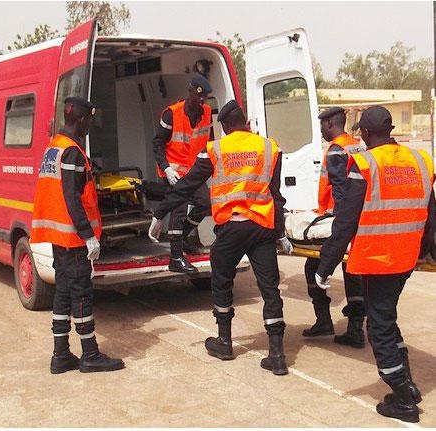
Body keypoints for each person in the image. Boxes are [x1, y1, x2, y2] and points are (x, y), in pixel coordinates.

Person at [148, 100, 294, 375]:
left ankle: (225, 342)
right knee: (270, 289)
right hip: (262, 228)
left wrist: (160, 214)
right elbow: (275, 194)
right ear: (247, 124)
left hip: (232, 229)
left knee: (221, 281)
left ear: (225, 127)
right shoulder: (270, 147)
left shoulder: (215, 149)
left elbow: (187, 184)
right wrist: (280, 232)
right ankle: (277, 355)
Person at [315, 106, 434, 423]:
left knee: (378, 327)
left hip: (378, 258)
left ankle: (404, 398)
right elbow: (430, 212)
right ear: (391, 129)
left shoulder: (366, 163)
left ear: (365, 134)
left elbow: (346, 222)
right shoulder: (420, 160)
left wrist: (325, 266)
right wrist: (426, 251)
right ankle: (406, 381)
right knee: (386, 317)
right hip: (407, 257)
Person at [31, 97, 124, 374]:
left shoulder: (53, 148)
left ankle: (60, 355)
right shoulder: (71, 152)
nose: (89, 125)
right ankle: (90, 355)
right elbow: (72, 198)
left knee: (62, 293)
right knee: (81, 294)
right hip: (73, 239)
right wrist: (89, 236)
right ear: (82, 120)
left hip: (58, 236)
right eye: (89, 120)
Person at [303, 107, 366, 348]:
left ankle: (324, 320)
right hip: (356, 218)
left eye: (322, 125)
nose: (320, 130)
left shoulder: (337, 150)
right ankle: (355, 329)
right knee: (353, 274)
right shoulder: (357, 145)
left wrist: (340, 226)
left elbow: (340, 191)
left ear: (330, 123)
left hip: (338, 221)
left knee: (313, 266)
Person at [152, 75, 213, 274]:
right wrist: (166, 168)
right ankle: (176, 257)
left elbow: (209, 142)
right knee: (179, 209)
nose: (202, 102)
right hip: (174, 171)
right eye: (199, 97)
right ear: (190, 92)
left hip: (194, 171)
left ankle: (183, 237)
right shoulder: (171, 113)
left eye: (204, 98)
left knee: (204, 204)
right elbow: (158, 143)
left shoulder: (206, 112)